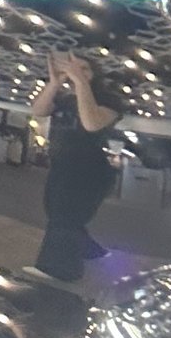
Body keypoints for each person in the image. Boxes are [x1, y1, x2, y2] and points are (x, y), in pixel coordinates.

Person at [30, 49, 122, 281]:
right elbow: (38, 110)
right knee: (57, 212)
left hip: (89, 169)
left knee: (64, 217)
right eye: (72, 67)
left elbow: (91, 124)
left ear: (95, 74)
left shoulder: (110, 100)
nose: (74, 71)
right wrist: (54, 84)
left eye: (84, 68)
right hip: (62, 164)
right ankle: (93, 251)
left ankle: (58, 270)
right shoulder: (65, 100)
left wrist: (80, 82)